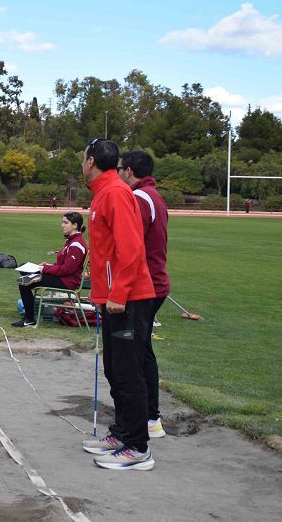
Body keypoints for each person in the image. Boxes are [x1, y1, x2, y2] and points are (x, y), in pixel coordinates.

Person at [79, 138, 157, 471]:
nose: (81, 164)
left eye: (83, 159)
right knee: (114, 369)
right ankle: (123, 433)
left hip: (128, 298)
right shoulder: (102, 193)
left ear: (92, 160)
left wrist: (118, 293)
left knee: (128, 373)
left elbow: (131, 248)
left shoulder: (115, 193)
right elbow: (104, 254)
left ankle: (139, 447)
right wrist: (99, 295)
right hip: (112, 298)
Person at [118, 150, 171, 440]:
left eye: (120, 170)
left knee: (137, 353)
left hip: (145, 286)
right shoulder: (152, 195)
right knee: (142, 349)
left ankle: (149, 417)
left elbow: (130, 243)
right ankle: (149, 416)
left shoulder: (141, 198)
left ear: (128, 171)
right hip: (151, 283)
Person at [14, 212, 88, 328]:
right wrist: (47, 266)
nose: (62, 225)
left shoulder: (76, 245)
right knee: (25, 271)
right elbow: (64, 266)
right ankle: (35, 277)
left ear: (75, 225)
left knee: (24, 284)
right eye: (62, 222)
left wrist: (45, 269)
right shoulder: (72, 241)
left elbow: (66, 270)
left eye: (65, 223)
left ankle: (29, 319)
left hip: (67, 282)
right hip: (64, 278)